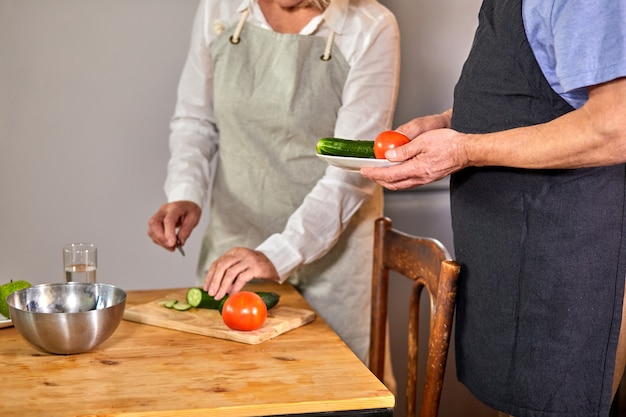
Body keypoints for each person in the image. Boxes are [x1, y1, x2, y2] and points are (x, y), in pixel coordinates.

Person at [361, 0, 626, 416]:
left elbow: (615, 126)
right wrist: (452, 121)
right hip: (506, 259)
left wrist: (465, 148)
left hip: (562, 269)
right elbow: (538, 96)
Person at [147, 0, 400, 389]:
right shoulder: (219, 10)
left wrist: (275, 254)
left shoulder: (372, 27)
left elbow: (350, 173)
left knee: (335, 396)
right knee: (230, 389)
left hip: (337, 261)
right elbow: (195, 121)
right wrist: (185, 193)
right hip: (237, 241)